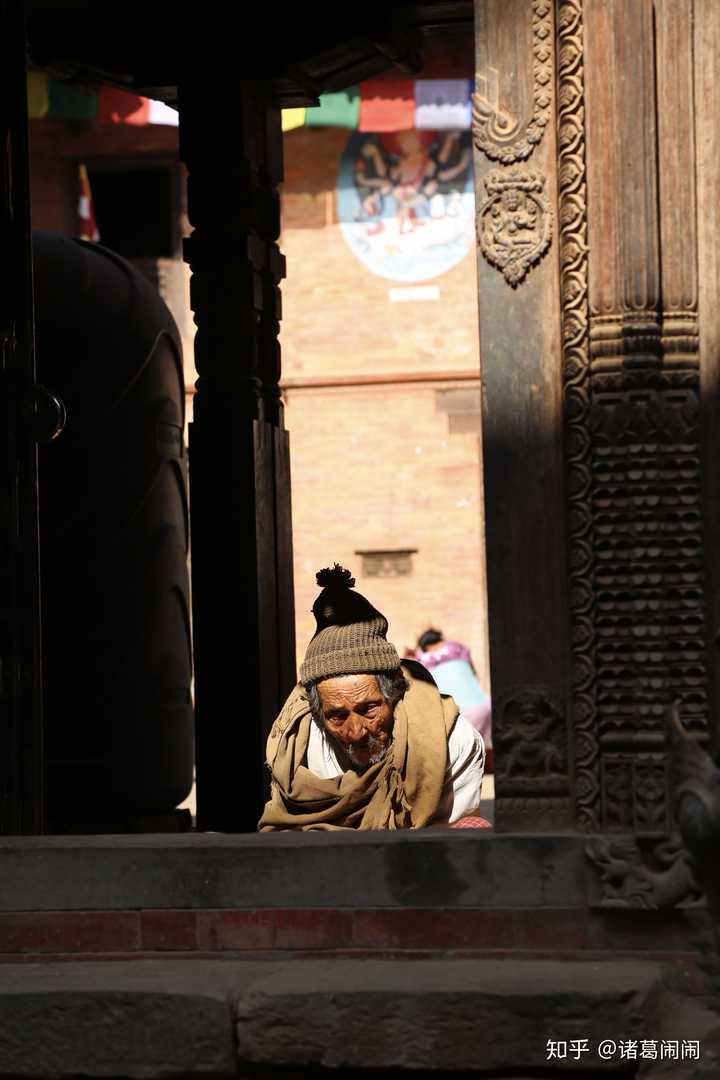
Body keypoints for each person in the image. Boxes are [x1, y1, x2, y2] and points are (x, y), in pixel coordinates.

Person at [258, 565, 486, 831]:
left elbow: (447, 834)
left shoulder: (453, 740)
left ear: (394, 694)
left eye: (368, 709)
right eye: (337, 716)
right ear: (317, 713)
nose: (356, 732)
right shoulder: (299, 748)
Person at [414, 629, 492, 742]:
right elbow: (474, 675)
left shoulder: (422, 661)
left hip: (457, 718)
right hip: (485, 708)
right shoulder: (459, 649)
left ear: (424, 647)